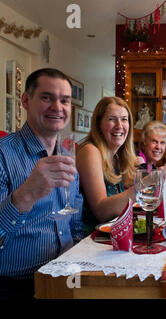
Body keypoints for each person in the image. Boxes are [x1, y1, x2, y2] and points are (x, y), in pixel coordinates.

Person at [0, 68, 83, 298]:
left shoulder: (68, 157)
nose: (57, 107)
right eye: (47, 97)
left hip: (64, 278)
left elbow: (74, 223)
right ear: (26, 101)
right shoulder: (3, 154)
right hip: (14, 286)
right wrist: (27, 194)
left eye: (64, 100)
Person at [76, 97, 137, 234]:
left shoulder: (117, 156)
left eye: (124, 119)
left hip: (112, 236)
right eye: (112, 119)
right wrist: (144, 186)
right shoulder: (90, 151)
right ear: (98, 124)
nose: (119, 126)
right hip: (90, 240)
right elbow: (101, 212)